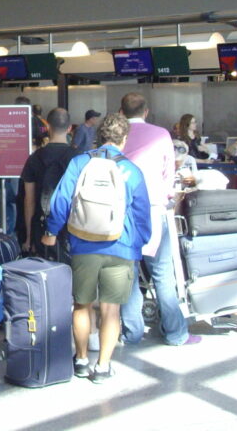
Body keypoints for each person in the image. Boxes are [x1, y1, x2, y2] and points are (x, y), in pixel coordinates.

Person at [43, 112, 151, 383]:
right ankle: (102, 367)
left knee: (81, 305)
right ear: (124, 139)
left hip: (83, 243)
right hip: (121, 246)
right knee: (111, 309)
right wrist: (138, 243)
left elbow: (61, 201)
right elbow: (141, 215)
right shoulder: (132, 170)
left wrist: (51, 232)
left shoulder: (80, 162)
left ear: (99, 136)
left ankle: (80, 360)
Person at [119, 93, 200, 348]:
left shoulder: (116, 136)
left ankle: (131, 333)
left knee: (128, 274)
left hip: (122, 213)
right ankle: (176, 334)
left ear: (121, 112)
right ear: (146, 111)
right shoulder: (161, 134)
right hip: (153, 211)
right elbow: (169, 174)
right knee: (163, 274)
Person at [19, 108, 78, 257]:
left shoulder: (34, 158)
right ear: (70, 128)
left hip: (42, 226)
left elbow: (29, 201)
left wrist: (29, 236)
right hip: (72, 228)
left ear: (47, 127)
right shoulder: (78, 159)